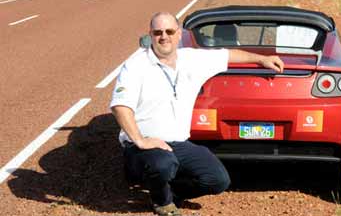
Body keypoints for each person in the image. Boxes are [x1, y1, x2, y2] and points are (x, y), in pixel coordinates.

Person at [110, 12, 284, 216]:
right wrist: (139, 140)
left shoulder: (192, 58)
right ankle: (162, 201)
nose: (163, 37)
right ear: (150, 35)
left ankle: (168, 190)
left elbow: (229, 54)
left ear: (179, 35)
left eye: (169, 31)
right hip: (144, 147)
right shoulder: (136, 65)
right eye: (158, 32)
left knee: (218, 180)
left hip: (178, 144)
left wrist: (262, 59)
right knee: (163, 164)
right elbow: (120, 106)